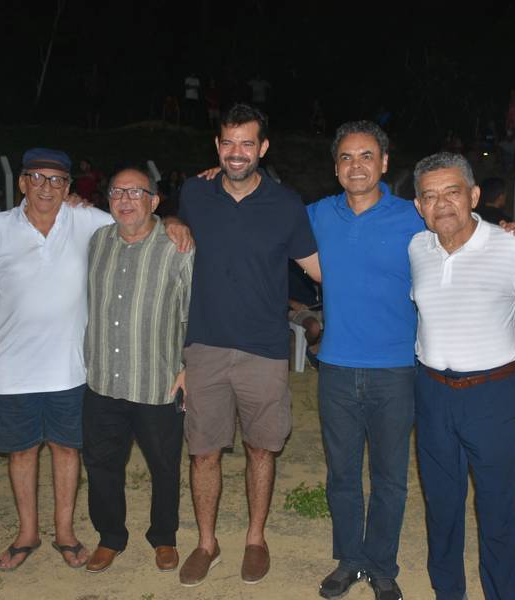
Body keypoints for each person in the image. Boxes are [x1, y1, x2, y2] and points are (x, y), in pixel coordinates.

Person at [0, 149, 192, 573]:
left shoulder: (132, 235)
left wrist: (177, 224)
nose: (46, 187)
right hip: (60, 374)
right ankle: (70, 535)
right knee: (65, 460)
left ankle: (129, 536)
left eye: (56, 180)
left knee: (139, 461)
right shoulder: (18, 229)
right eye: (37, 177)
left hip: (116, 375)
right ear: (21, 182)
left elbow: (191, 303)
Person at [176, 103, 320, 587]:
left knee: (262, 449)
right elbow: (171, 227)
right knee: (203, 452)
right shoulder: (194, 193)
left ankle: (255, 539)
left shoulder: (286, 205)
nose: (237, 153)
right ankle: (206, 543)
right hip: (206, 347)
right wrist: (174, 220)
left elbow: (318, 268)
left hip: (264, 350)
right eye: (228, 143)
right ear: (217, 147)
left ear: (263, 148)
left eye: (247, 143)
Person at [410, 152, 515, 600]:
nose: (441, 203)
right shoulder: (417, 248)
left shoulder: (514, 247)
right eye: (430, 196)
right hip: (432, 394)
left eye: (452, 192)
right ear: (418, 206)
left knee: (498, 510)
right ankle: (449, 593)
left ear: (475, 196)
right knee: (441, 509)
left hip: (494, 397)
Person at [309, 121, 425, 600]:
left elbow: (471, 231)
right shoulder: (315, 214)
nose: (356, 166)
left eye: (366, 156)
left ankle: (380, 564)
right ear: (336, 167)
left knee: (390, 477)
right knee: (341, 474)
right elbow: (258, 216)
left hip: (397, 371)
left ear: (383, 163)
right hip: (335, 368)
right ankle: (349, 560)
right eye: (346, 157)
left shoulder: (415, 215)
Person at [82, 167, 194, 575]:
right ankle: (110, 537)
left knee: (165, 466)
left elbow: (193, 311)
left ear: (155, 201)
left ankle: (164, 537)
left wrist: (189, 366)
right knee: (101, 466)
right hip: (103, 381)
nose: (125, 199)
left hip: (158, 381)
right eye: (117, 192)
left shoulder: (176, 245)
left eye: (136, 192)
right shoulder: (96, 241)